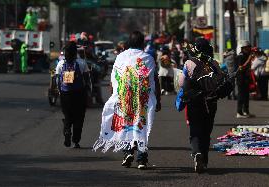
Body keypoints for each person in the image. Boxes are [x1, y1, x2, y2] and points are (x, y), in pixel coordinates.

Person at [93, 31, 161, 169]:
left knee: (126, 126)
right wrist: (158, 99)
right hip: (143, 100)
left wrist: (114, 95)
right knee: (142, 126)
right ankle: (141, 159)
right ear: (142, 43)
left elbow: (114, 78)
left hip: (124, 98)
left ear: (129, 42)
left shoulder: (120, 57)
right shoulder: (148, 58)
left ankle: (127, 153)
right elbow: (154, 80)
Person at [177, 38, 223, 173]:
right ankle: (205, 160)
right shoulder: (214, 63)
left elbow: (181, 82)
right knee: (206, 131)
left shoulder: (189, 63)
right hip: (211, 102)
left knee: (195, 130)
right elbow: (220, 81)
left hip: (195, 101)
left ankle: (197, 153)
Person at [55, 41, 91, 148]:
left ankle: (67, 131)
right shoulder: (82, 63)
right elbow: (87, 80)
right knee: (79, 117)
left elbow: (57, 80)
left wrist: (60, 91)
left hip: (65, 94)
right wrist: (88, 93)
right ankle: (76, 140)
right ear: (76, 52)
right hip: (79, 94)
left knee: (67, 116)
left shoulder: (60, 64)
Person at [235, 40, 255, 118]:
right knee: (241, 95)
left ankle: (246, 111)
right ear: (243, 48)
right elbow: (240, 68)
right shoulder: (241, 56)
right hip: (241, 78)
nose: (249, 49)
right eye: (248, 48)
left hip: (246, 78)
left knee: (246, 96)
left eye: (249, 47)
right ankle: (239, 112)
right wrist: (249, 60)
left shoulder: (247, 55)